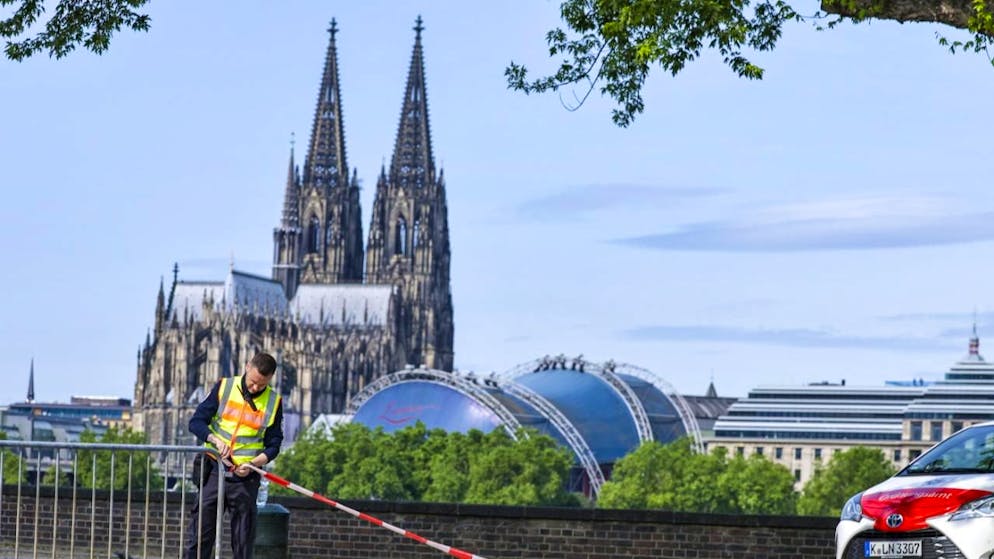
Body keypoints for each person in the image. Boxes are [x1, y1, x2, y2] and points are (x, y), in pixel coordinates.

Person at [184, 352, 284, 559]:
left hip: (245, 478)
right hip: (213, 470)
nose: (256, 388)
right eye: (253, 382)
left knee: (242, 542)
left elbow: (274, 445)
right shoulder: (224, 387)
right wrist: (214, 440)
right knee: (200, 537)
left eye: (262, 385)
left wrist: (254, 463)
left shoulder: (274, 402)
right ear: (247, 367)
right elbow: (196, 422)